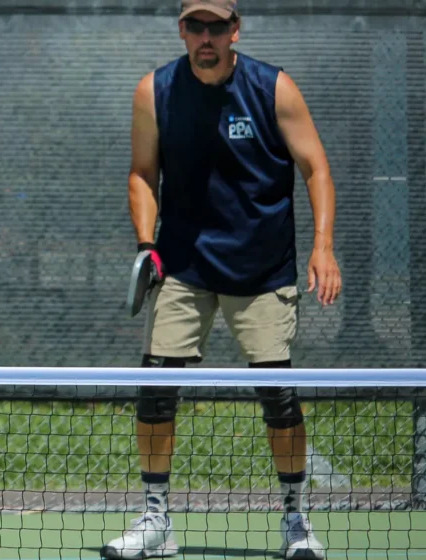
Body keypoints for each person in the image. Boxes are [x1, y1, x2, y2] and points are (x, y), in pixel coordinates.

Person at [105, 1, 342, 559]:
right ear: (182, 30)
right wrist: (147, 246)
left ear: (235, 31)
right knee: (155, 391)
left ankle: (295, 521)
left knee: (278, 397)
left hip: (261, 271)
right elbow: (142, 173)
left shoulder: (274, 89)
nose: (206, 37)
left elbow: (316, 168)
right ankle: (156, 520)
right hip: (183, 267)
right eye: (195, 26)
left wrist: (323, 246)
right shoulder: (155, 91)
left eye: (216, 27)